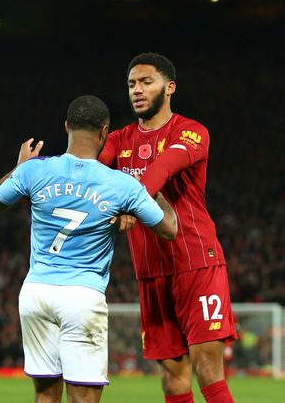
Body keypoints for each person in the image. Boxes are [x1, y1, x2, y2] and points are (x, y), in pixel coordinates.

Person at [0, 95, 178, 403]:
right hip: (81, 295)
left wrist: (19, 167)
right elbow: (169, 229)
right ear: (104, 132)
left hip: (36, 292)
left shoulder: (35, 170)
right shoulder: (120, 184)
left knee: (45, 397)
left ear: (66, 127)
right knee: (84, 398)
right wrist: (155, 188)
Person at [98, 53, 238, 403]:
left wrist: (129, 200)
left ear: (170, 87)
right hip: (151, 272)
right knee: (172, 377)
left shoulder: (191, 132)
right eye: (132, 84)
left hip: (196, 263)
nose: (137, 90)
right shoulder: (118, 140)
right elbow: (91, 174)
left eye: (147, 82)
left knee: (207, 369)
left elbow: (163, 168)